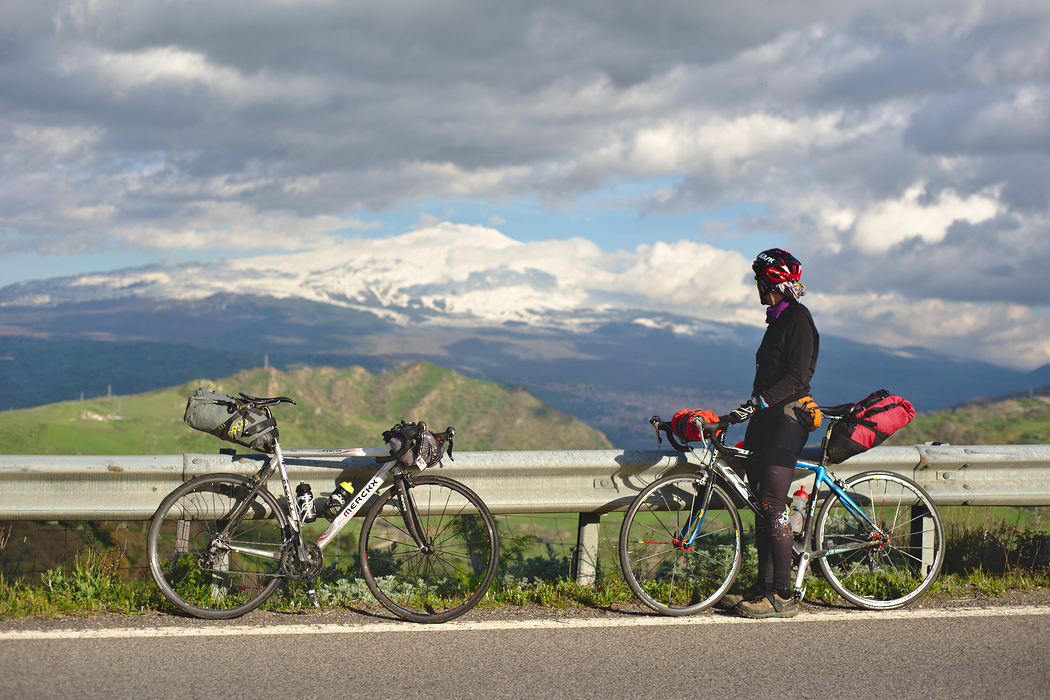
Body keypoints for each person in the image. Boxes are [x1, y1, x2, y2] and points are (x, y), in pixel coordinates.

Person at [720, 248, 819, 619]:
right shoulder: (778, 320)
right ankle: (763, 586)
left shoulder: (798, 319)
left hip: (787, 420)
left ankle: (782, 595)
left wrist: (757, 402)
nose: (757, 287)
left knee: (773, 504)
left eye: (759, 280)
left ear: (771, 281)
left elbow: (796, 378)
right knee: (762, 504)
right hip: (765, 420)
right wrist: (751, 410)